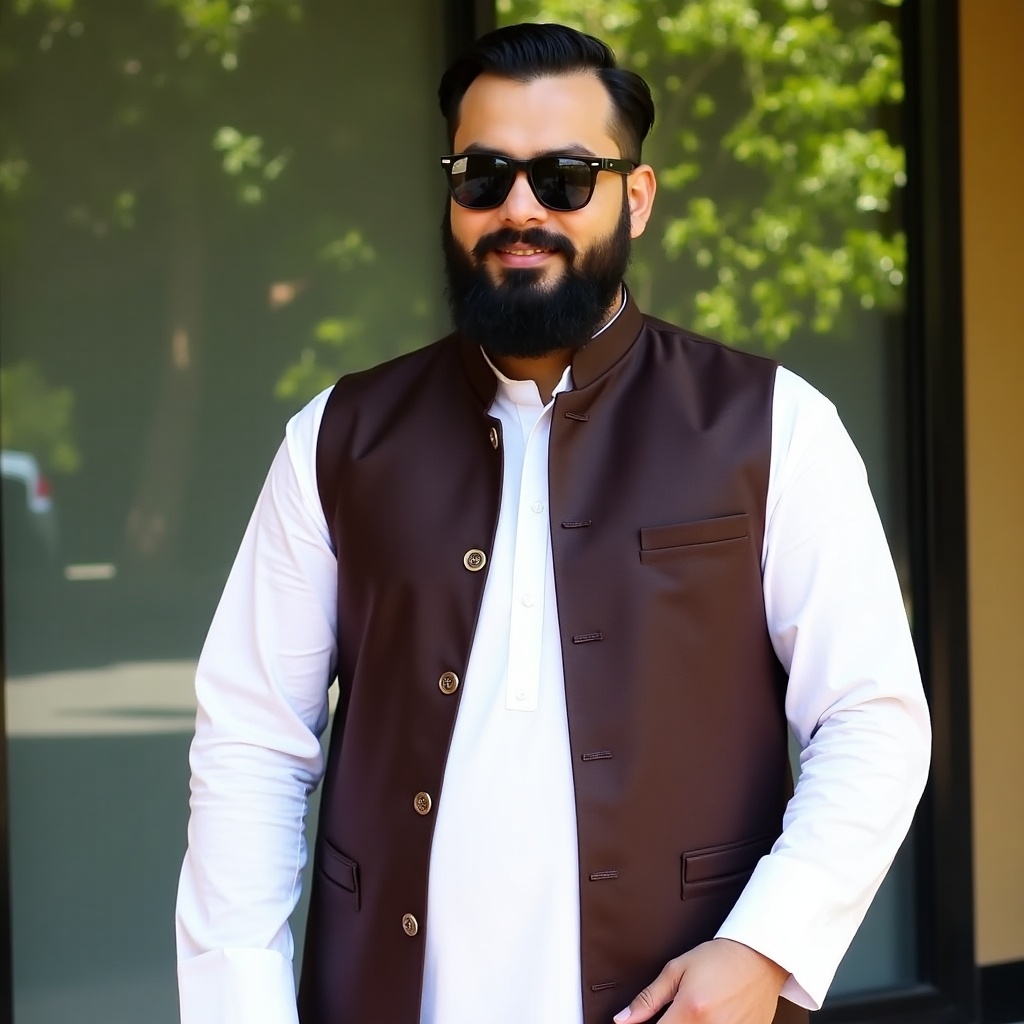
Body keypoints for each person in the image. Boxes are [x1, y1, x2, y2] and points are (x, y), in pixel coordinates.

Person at [175, 22, 931, 1024]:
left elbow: (871, 720)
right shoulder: (338, 437)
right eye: (482, 175)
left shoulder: (773, 426)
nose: (518, 208)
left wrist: (763, 947)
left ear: (638, 198)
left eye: (565, 176)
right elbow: (251, 745)